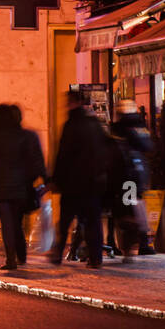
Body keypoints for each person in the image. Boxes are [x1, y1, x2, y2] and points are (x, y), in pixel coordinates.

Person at [49, 90, 111, 268]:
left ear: (74, 102)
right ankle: (95, 258)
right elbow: (104, 152)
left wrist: (56, 180)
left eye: (67, 102)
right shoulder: (95, 125)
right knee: (93, 222)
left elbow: (63, 156)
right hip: (93, 183)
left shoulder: (71, 125)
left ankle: (57, 255)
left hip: (73, 184)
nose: (65, 105)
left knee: (65, 222)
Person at [0, 104, 46, 271]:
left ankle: (11, 258)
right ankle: (20, 253)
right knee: (17, 222)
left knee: (7, 223)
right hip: (22, 186)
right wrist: (46, 180)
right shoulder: (27, 136)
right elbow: (37, 161)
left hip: (1, 186)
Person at [107, 100, 153, 262]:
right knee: (134, 208)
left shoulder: (121, 128)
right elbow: (148, 147)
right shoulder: (140, 125)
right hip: (137, 175)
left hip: (126, 176)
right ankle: (140, 243)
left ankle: (130, 248)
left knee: (126, 212)